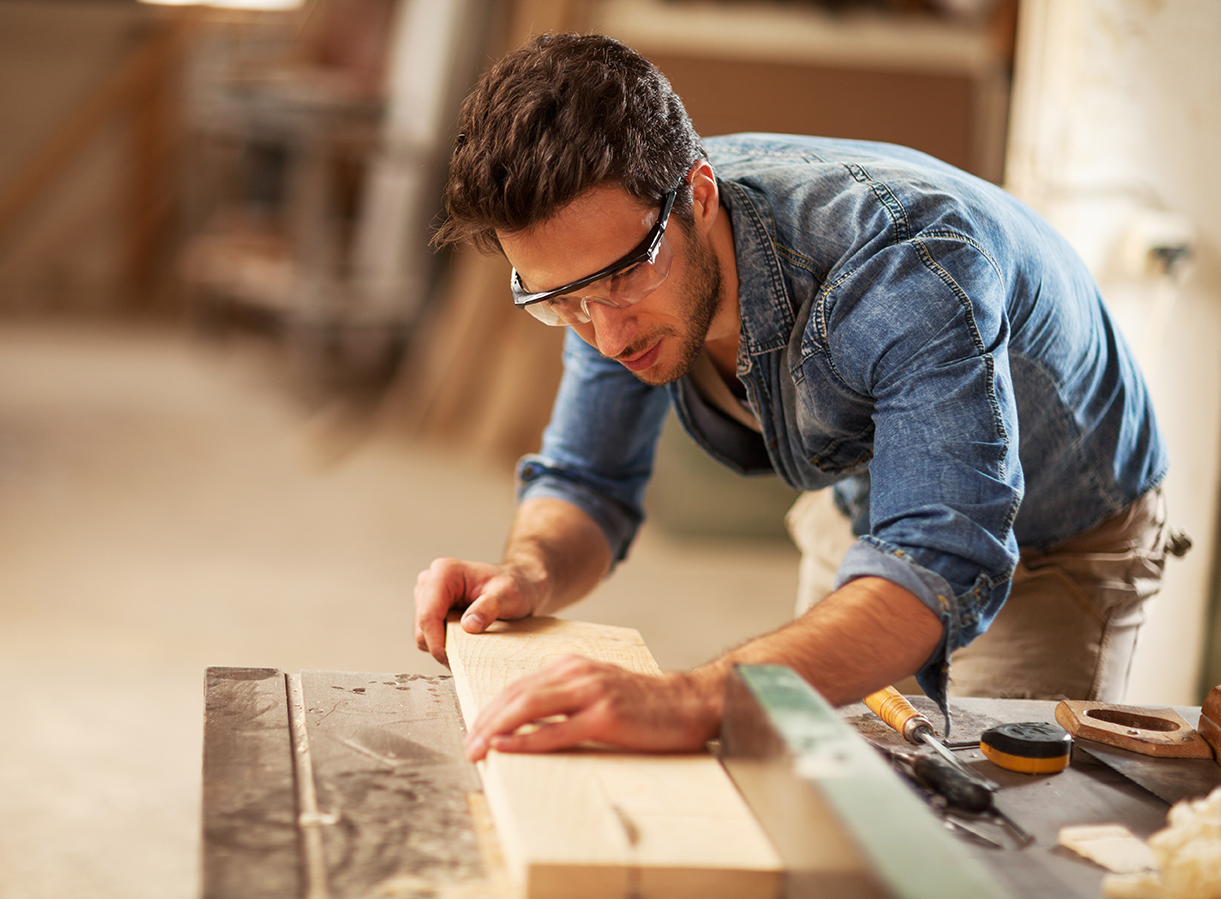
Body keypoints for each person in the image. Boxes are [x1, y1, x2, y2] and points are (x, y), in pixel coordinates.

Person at [414, 33, 1187, 763]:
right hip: (864, 485)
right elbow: (587, 479)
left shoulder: (904, 274)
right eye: (559, 301)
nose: (606, 337)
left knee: (983, 830)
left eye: (620, 278)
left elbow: (934, 566)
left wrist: (683, 699)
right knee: (822, 778)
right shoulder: (610, 257)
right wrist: (530, 570)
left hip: (1056, 533)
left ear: (700, 194)